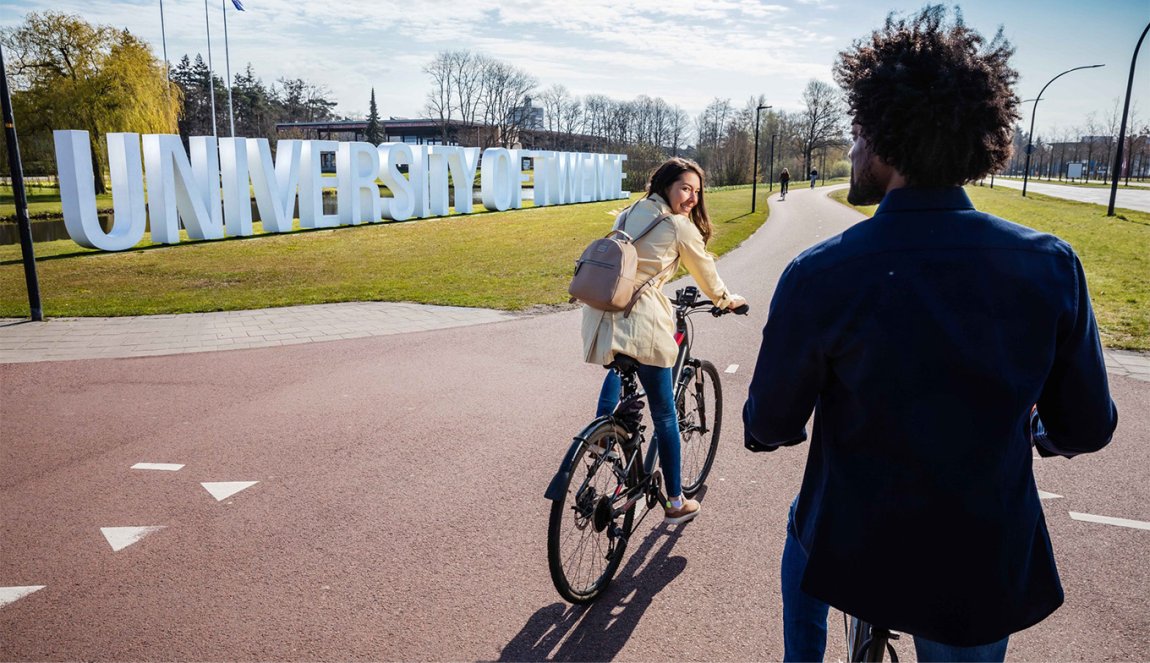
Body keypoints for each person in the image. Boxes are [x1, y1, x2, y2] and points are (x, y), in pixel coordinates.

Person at [742, 6, 1117, 662]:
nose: (852, 148)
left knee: (803, 534)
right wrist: (1037, 432)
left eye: (856, 132)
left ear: (884, 139)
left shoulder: (822, 272)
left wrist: (771, 426)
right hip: (978, 558)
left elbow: (769, 421)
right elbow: (1087, 426)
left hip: (855, 538)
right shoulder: (1051, 264)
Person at [583, 157, 746, 524]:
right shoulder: (676, 225)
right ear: (666, 185)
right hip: (640, 316)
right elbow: (704, 269)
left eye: (696, 191)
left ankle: (602, 435)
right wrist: (725, 300)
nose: (691, 197)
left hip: (605, 311)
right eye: (685, 188)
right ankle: (675, 501)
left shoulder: (627, 212)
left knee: (620, 362)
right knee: (664, 413)